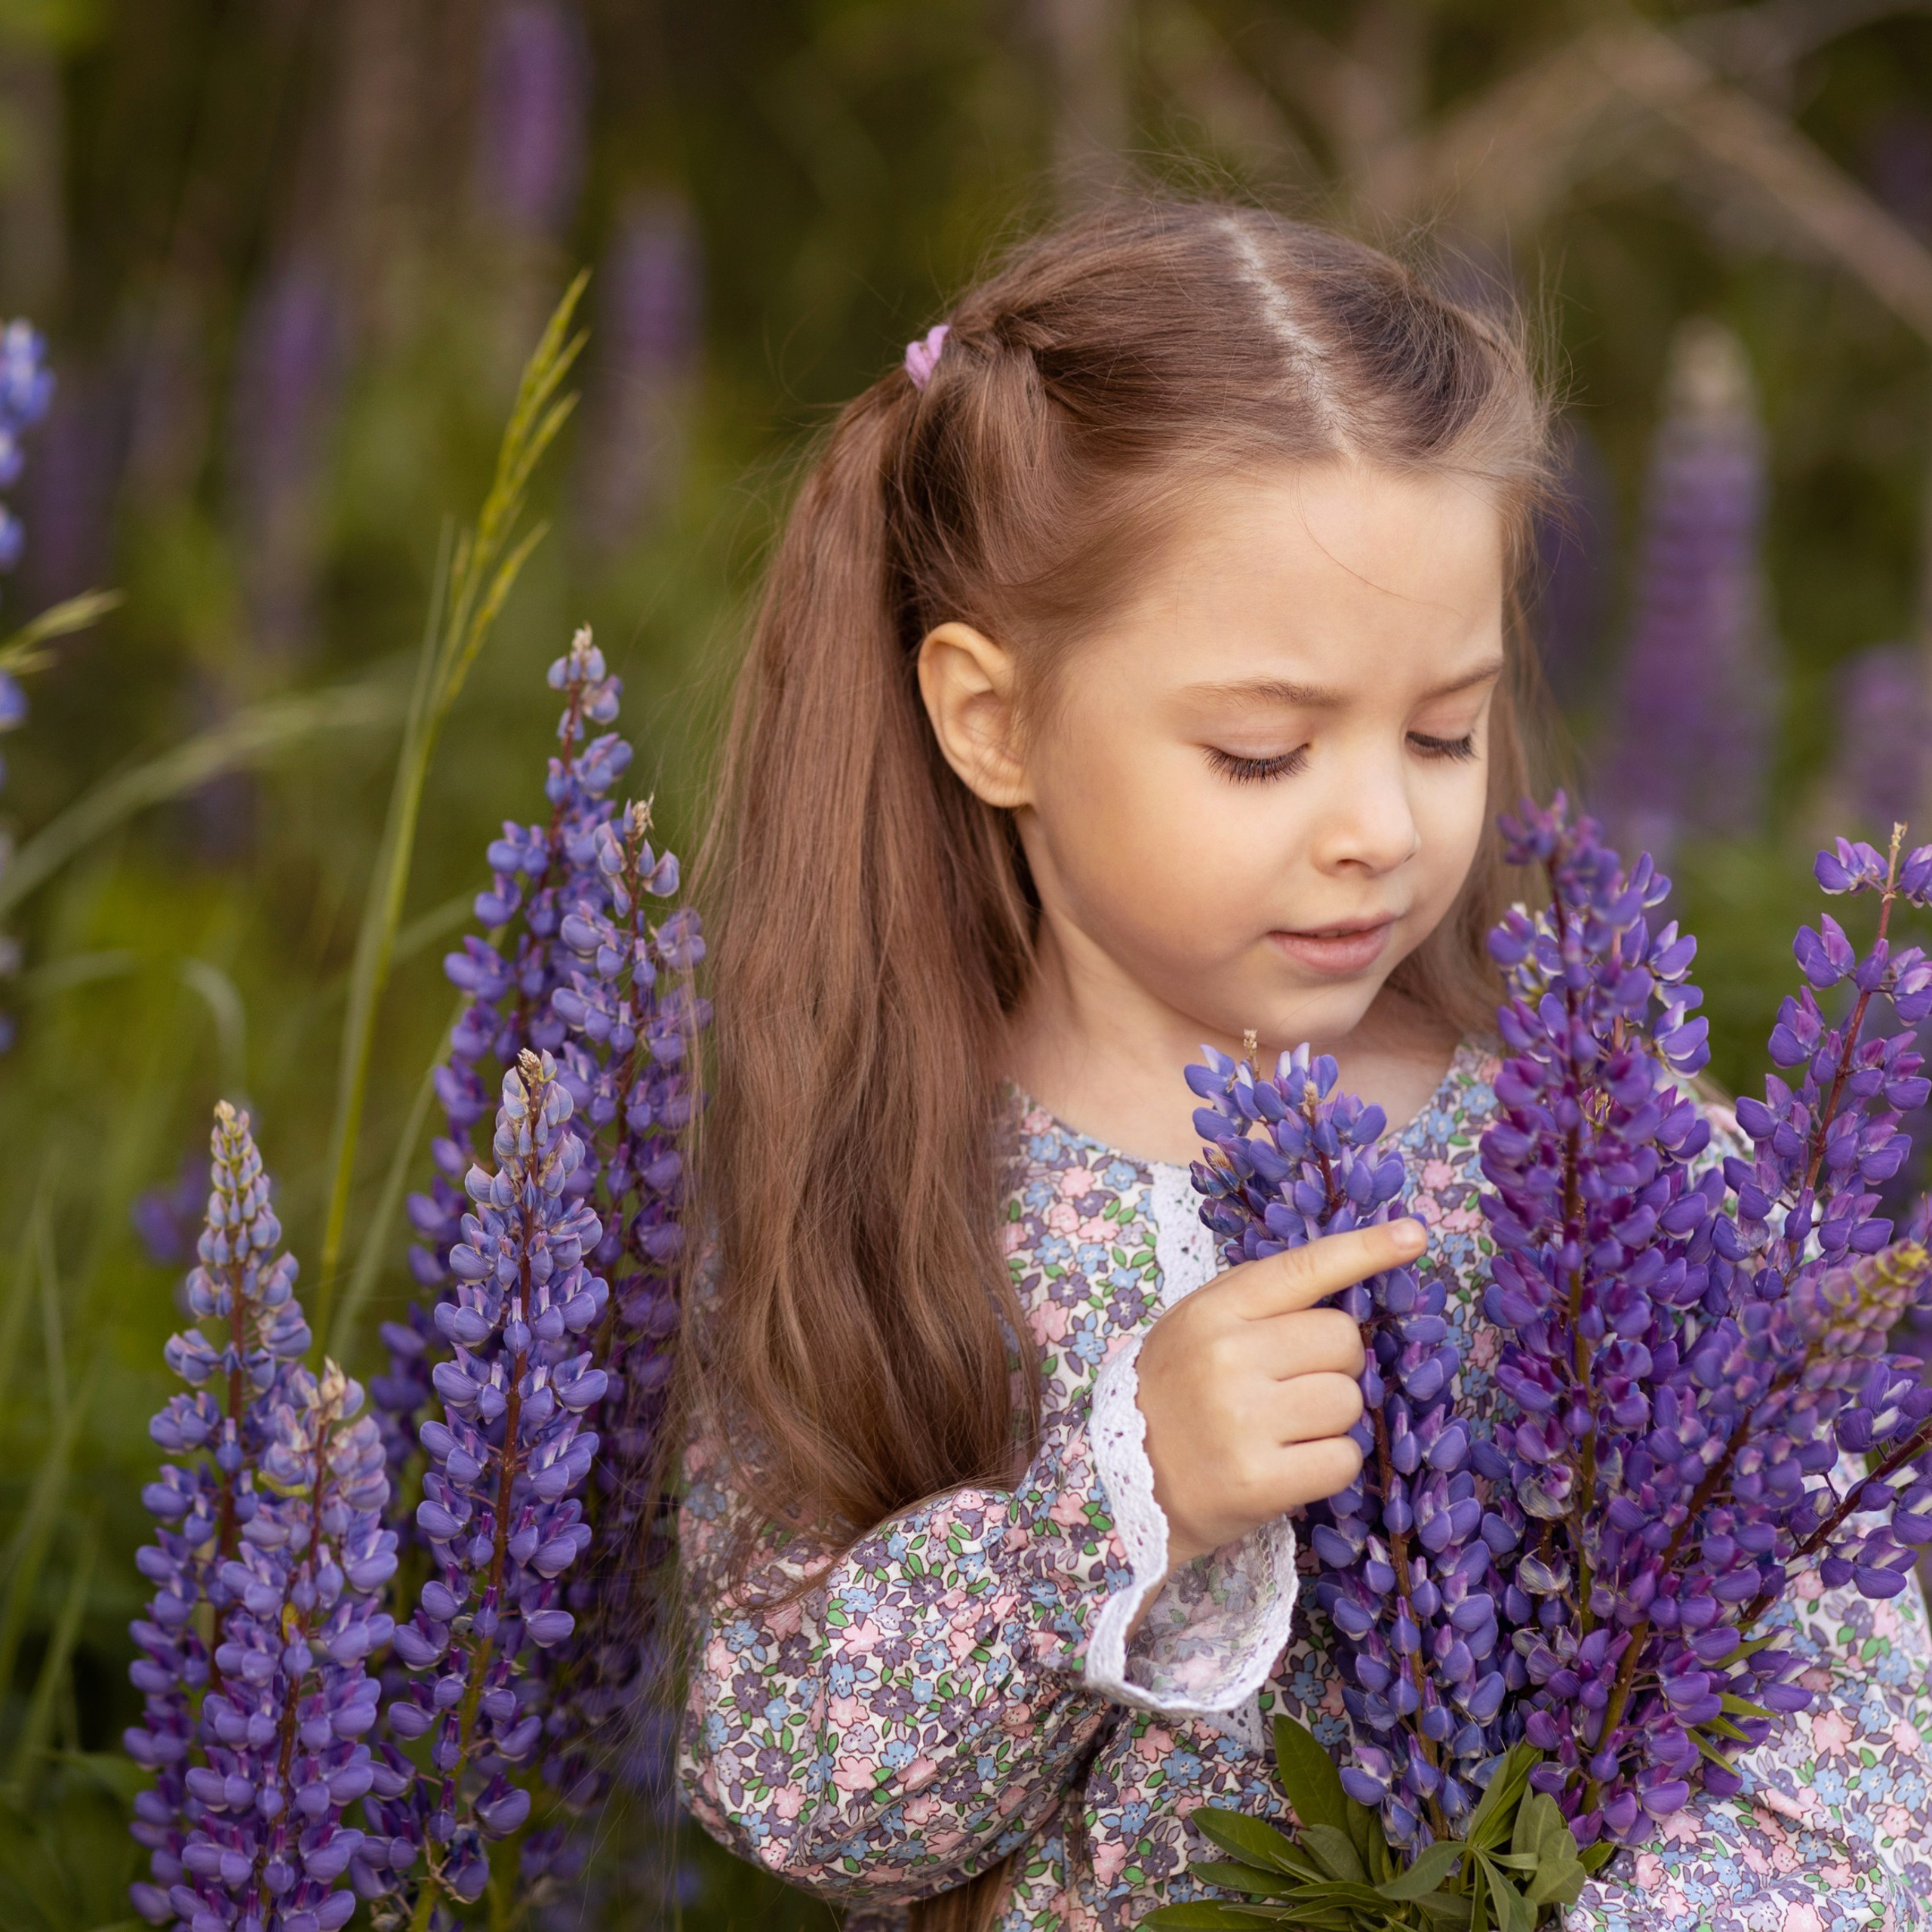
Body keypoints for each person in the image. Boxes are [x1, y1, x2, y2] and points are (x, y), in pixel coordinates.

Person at [675, 201, 1932, 1932]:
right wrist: (1116, 1503)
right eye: (1261, 751)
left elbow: (1854, 1772)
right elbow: (796, 1793)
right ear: (994, 719)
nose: (1374, 827)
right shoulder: (886, 1189)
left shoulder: (1617, 1168)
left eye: (1439, 730)